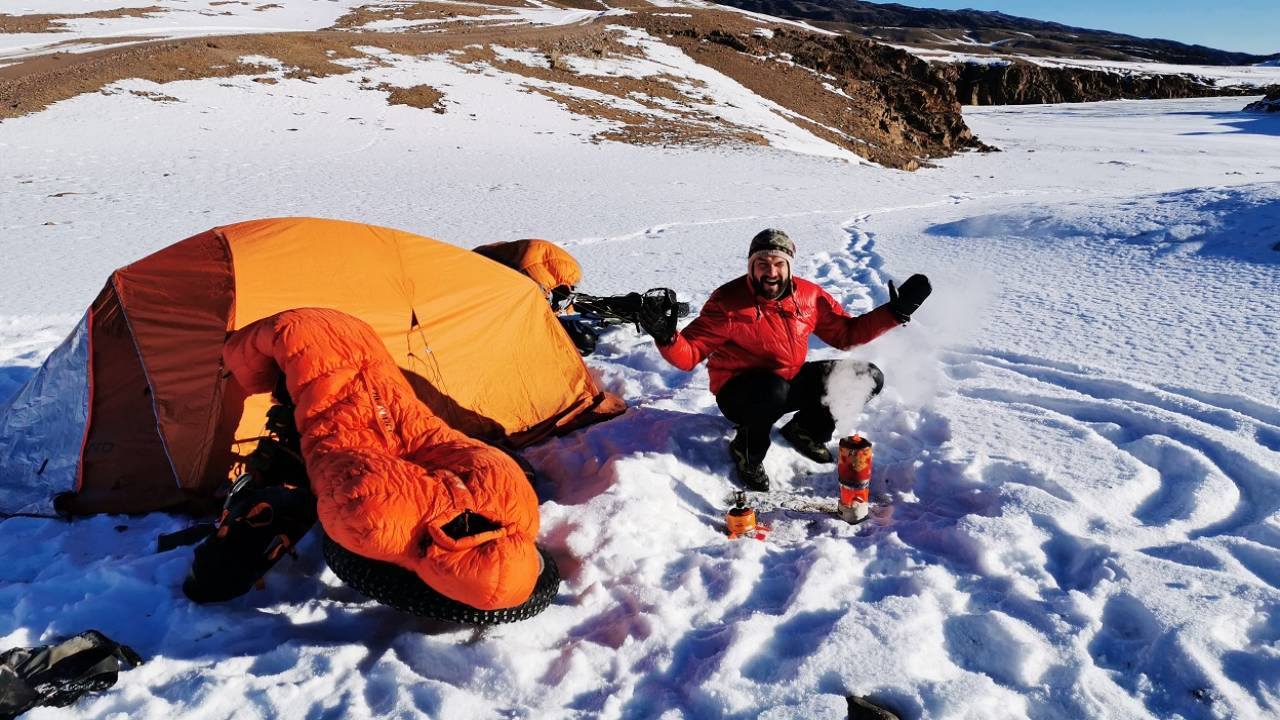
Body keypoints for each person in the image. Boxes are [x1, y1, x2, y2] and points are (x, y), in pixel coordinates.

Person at [638, 228, 931, 491]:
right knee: (771, 390)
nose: (771, 272)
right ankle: (747, 452)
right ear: (751, 267)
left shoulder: (809, 296)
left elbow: (846, 334)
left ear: (789, 266)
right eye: (761, 264)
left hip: (786, 382)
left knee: (866, 376)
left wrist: (894, 313)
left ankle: (806, 431)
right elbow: (690, 353)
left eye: (778, 264)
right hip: (740, 394)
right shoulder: (727, 302)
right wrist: (667, 338)